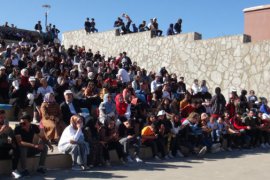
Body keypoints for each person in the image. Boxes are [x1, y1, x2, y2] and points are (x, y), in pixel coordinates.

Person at [0, 110, 21, 179]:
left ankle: (14, 171)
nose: (3, 119)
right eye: (1, 117)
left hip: (5, 146)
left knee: (15, 149)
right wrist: (1, 131)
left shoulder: (6, 125)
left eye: (4, 117)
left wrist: (10, 134)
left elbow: (11, 136)